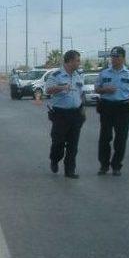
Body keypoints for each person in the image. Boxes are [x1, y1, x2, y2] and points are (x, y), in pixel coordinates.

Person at [94, 46, 129, 176]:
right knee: (105, 137)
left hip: (122, 108)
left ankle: (116, 165)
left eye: (117, 57)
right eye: (113, 57)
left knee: (121, 138)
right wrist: (105, 90)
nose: (114, 59)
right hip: (107, 106)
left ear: (123, 58)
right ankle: (103, 165)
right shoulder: (104, 73)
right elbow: (97, 89)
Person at [45, 50, 84, 178]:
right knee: (58, 143)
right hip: (60, 115)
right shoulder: (56, 75)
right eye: (77, 60)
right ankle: (55, 159)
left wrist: (82, 110)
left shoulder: (78, 75)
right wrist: (61, 87)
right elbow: (48, 90)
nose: (79, 63)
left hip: (75, 114)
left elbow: (80, 93)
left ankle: (70, 170)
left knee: (73, 144)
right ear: (70, 61)